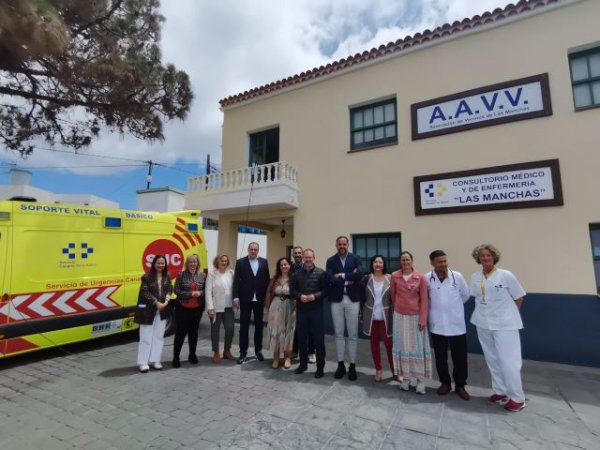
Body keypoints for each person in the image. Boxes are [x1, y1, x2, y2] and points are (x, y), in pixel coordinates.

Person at [470, 244, 527, 412]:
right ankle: (500, 391)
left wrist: (508, 315)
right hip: (483, 322)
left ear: (494, 257)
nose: (485, 258)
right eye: (482, 256)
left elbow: (519, 298)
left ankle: (517, 398)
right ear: (478, 259)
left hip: (505, 325)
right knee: (492, 358)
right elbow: (476, 296)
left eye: (488, 255)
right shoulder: (475, 276)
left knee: (508, 360)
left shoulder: (506, 275)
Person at [426, 250, 471, 400]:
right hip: (437, 326)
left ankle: (460, 385)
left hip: (456, 325)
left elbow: (465, 295)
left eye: (445, 261)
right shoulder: (427, 278)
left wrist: (452, 309)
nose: (443, 264)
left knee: (460, 358)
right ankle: (445, 382)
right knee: (440, 357)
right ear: (432, 263)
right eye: (440, 262)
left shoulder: (457, 277)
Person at [390, 251, 432, 394]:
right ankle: (406, 378)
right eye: (403, 260)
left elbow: (425, 300)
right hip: (399, 317)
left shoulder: (420, 277)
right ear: (400, 262)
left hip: (415, 318)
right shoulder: (395, 276)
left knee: (417, 348)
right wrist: (400, 309)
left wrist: (422, 319)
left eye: (408, 260)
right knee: (402, 347)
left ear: (412, 261)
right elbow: (393, 296)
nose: (405, 262)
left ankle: (420, 380)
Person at [326, 236, 364, 381]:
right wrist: (350, 278)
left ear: (348, 245)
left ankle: (352, 366)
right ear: (336, 245)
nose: (342, 246)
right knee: (338, 333)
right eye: (339, 244)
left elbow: (360, 273)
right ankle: (340, 365)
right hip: (336, 300)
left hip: (352, 300)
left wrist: (342, 276)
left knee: (353, 334)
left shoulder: (356, 258)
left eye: (344, 244)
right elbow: (329, 277)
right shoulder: (331, 260)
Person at [290, 249, 328, 378]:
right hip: (302, 311)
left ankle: (320, 367)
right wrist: (300, 296)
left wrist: (315, 296)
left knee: (318, 340)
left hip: (316, 311)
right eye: (306, 257)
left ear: (314, 258)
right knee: (301, 339)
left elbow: (326, 290)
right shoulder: (296, 274)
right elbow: (292, 290)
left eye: (310, 257)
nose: (307, 259)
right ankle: (303, 364)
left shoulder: (321, 273)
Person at [134, 255, 173, 372]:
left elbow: (170, 289)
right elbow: (144, 292)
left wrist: (166, 301)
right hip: (148, 310)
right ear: (154, 264)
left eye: (162, 263)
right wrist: (156, 302)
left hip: (162, 310)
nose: (160, 265)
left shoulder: (167, 276)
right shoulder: (146, 277)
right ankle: (143, 362)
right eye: (158, 263)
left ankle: (155, 360)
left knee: (159, 336)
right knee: (146, 337)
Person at [232, 242, 270, 364]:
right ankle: (243, 352)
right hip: (245, 299)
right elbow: (236, 281)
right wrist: (235, 297)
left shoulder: (264, 262)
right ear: (248, 250)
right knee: (244, 326)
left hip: (259, 299)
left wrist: (267, 297)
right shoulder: (241, 262)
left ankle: (258, 351)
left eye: (255, 249)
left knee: (259, 326)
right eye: (251, 249)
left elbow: (266, 281)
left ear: (258, 250)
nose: (253, 251)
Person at [361, 255, 394, 382]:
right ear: (372, 264)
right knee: (374, 345)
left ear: (384, 264)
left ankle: (394, 371)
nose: (378, 264)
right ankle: (378, 370)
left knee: (389, 345)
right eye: (375, 262)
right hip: (372, 317)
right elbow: (362, 296)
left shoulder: (390, 278)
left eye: (380, 262)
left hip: (387, 317)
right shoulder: (367, 278)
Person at [172, 253, 206, 368]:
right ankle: (176, 358)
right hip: (182, 309)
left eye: (195, 262)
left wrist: (200, 293)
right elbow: (175, 290)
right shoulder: (181, 275)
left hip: (196, 309)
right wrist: (190, 294)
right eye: (190, 262)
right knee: (180, 334)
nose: (193, 264)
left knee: (193, 333)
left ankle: (192, 355)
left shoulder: (202, 275)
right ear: (187, 263)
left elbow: (206, 290)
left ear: (197, 264)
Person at [265, 257, 295, 369]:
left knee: (288, 331)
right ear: (279, 267)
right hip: (275, 307)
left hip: (289, 307)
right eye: (281, 265)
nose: (284, 266)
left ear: (289, 266)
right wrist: (268, 306)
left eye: (286, 264)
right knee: (276, 332)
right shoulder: (274, 279)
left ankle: (287, 357)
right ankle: (276, 357)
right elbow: (268, 292)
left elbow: (297, 292)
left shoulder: (294, 279)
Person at [205, 254, 235, 364]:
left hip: (228, 307)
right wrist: (210, 308)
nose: (224, 262)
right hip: (216, 307)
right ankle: (216, 351)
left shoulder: (231, 273)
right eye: (222, 261)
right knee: (215, 330)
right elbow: (208, 292)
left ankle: (227, 350)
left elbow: (235, 288)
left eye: (226, 261)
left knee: (230, 328)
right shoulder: (212, 275)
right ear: (217, 262)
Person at [291, 245, 316, 363]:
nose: (297, 255)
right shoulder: (289, 267)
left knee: (310, 328)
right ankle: (295, 350)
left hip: (307, 301)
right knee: (294, 328)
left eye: (299, 253)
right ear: (292, 255)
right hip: (292, 302)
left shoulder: (308, 267)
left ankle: (311, 352)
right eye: (295, 253)